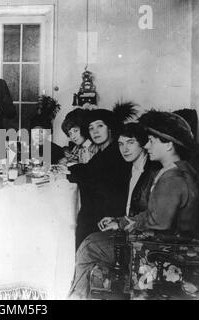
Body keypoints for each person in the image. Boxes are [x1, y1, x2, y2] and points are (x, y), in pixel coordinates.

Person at [69, 113, 199, 299]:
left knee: (90, 245)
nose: (147, 145)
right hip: (169, 245)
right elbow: (155, 215)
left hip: (160, 250)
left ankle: (76, 296)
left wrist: (122, 225)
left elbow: (158, 224)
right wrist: (121, 221)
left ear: (169, 145)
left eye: (152, 141)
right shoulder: (183, 169)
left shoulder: (172, 178)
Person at [68, 109, 130, 249]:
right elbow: (88, 169)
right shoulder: (104, 151)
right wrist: (69, 171)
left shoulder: (115, 152)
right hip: (100, 213)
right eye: (91, 128)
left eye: (100, 126)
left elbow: (90, 174)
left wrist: (69, 172)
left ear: (110, 128)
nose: (95, 131)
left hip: (107, 217)